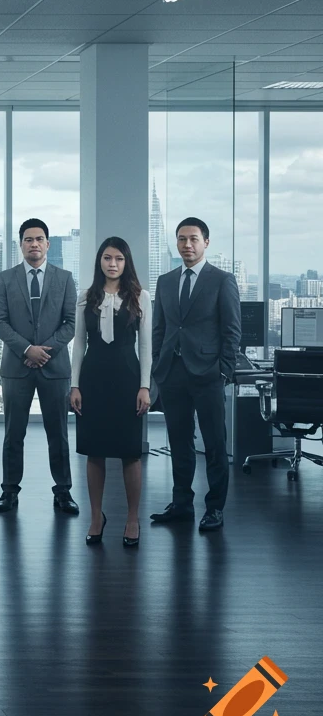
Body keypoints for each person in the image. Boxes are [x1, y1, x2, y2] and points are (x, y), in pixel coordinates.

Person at [150, 217, 241, 532]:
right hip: (172, 374)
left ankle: (214, 508)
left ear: (206, 242)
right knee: (179, 441)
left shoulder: (222, 280)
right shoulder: (165, 281)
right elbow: (159, 329)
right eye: (181, 239)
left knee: (215, 443)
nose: (187, 245)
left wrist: (223, 372)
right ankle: (181, 504)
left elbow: (231, 331)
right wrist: (157, 367)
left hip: (208, 374)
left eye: (193, 239)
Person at [0, 218, 79, 516]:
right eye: (28, 239)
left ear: (48, 244)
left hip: (54, 369)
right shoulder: (5, 278)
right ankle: (9, 492)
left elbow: (71, 324)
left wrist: (44, 352)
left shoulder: (65, 278)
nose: (34, 244)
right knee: (13, 433)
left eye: (39, 239)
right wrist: (27, 349)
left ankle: (64, 492)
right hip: (16, 367)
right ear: (21, 244)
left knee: (58, 433)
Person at [70, 237, 152, 547]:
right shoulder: (85, 297)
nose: (112, 263)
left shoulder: (140, 297)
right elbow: (78, 344)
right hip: (93, 378)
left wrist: (144, 386)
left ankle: (132, 518)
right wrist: (74, 384)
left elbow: (145, 346)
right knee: (95, 451)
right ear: (99, 262)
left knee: (131, 452)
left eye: (118, 258)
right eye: (107, 258)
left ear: (126, 262)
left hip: (127, 378)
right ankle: (95, 516)